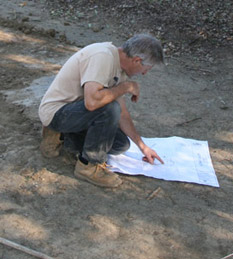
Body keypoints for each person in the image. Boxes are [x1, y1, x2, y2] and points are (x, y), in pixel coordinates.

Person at [38, 34, 165, 189]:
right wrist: (126, 87)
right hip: (57, 113)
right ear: (137, 60)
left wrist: (142, 146)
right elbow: (92, 103)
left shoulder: (121, 70)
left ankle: (61, 136)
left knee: (120, 144)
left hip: (77, 115)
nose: (144, 74)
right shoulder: (102, 56)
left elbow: (123, 114)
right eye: (146, 69)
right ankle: (88, 167)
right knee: (109, 109)